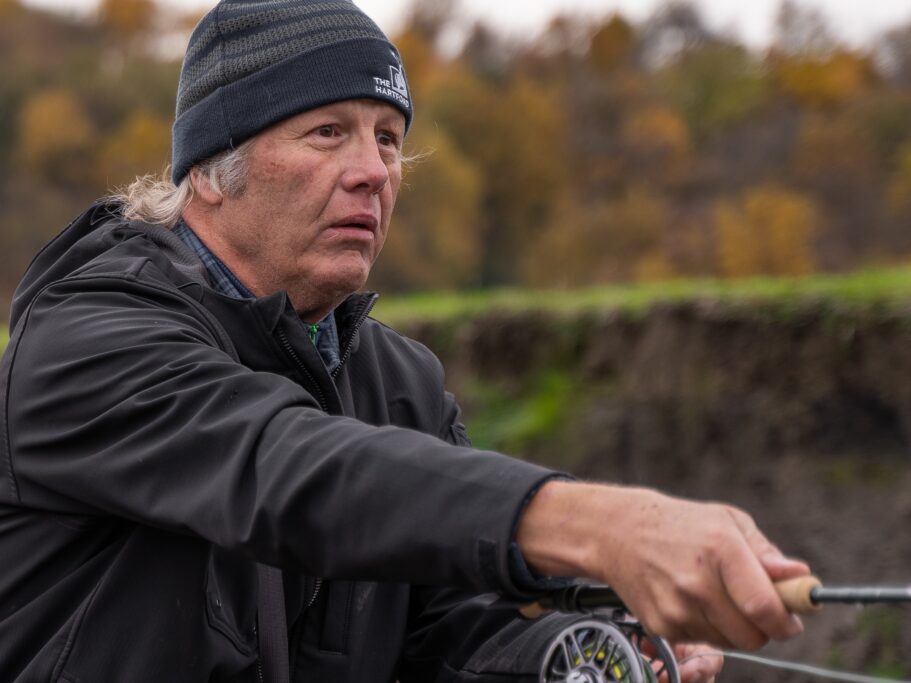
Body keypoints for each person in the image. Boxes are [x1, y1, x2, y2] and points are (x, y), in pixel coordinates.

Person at [0, 1, 810, 681]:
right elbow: (286, 467)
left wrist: (583, 659)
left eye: (388, 138)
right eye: (327, 132)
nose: (373, 171)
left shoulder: (401, 384)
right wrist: (601, 528)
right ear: (211, 169)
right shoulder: (87, 338)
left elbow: (444, 635)